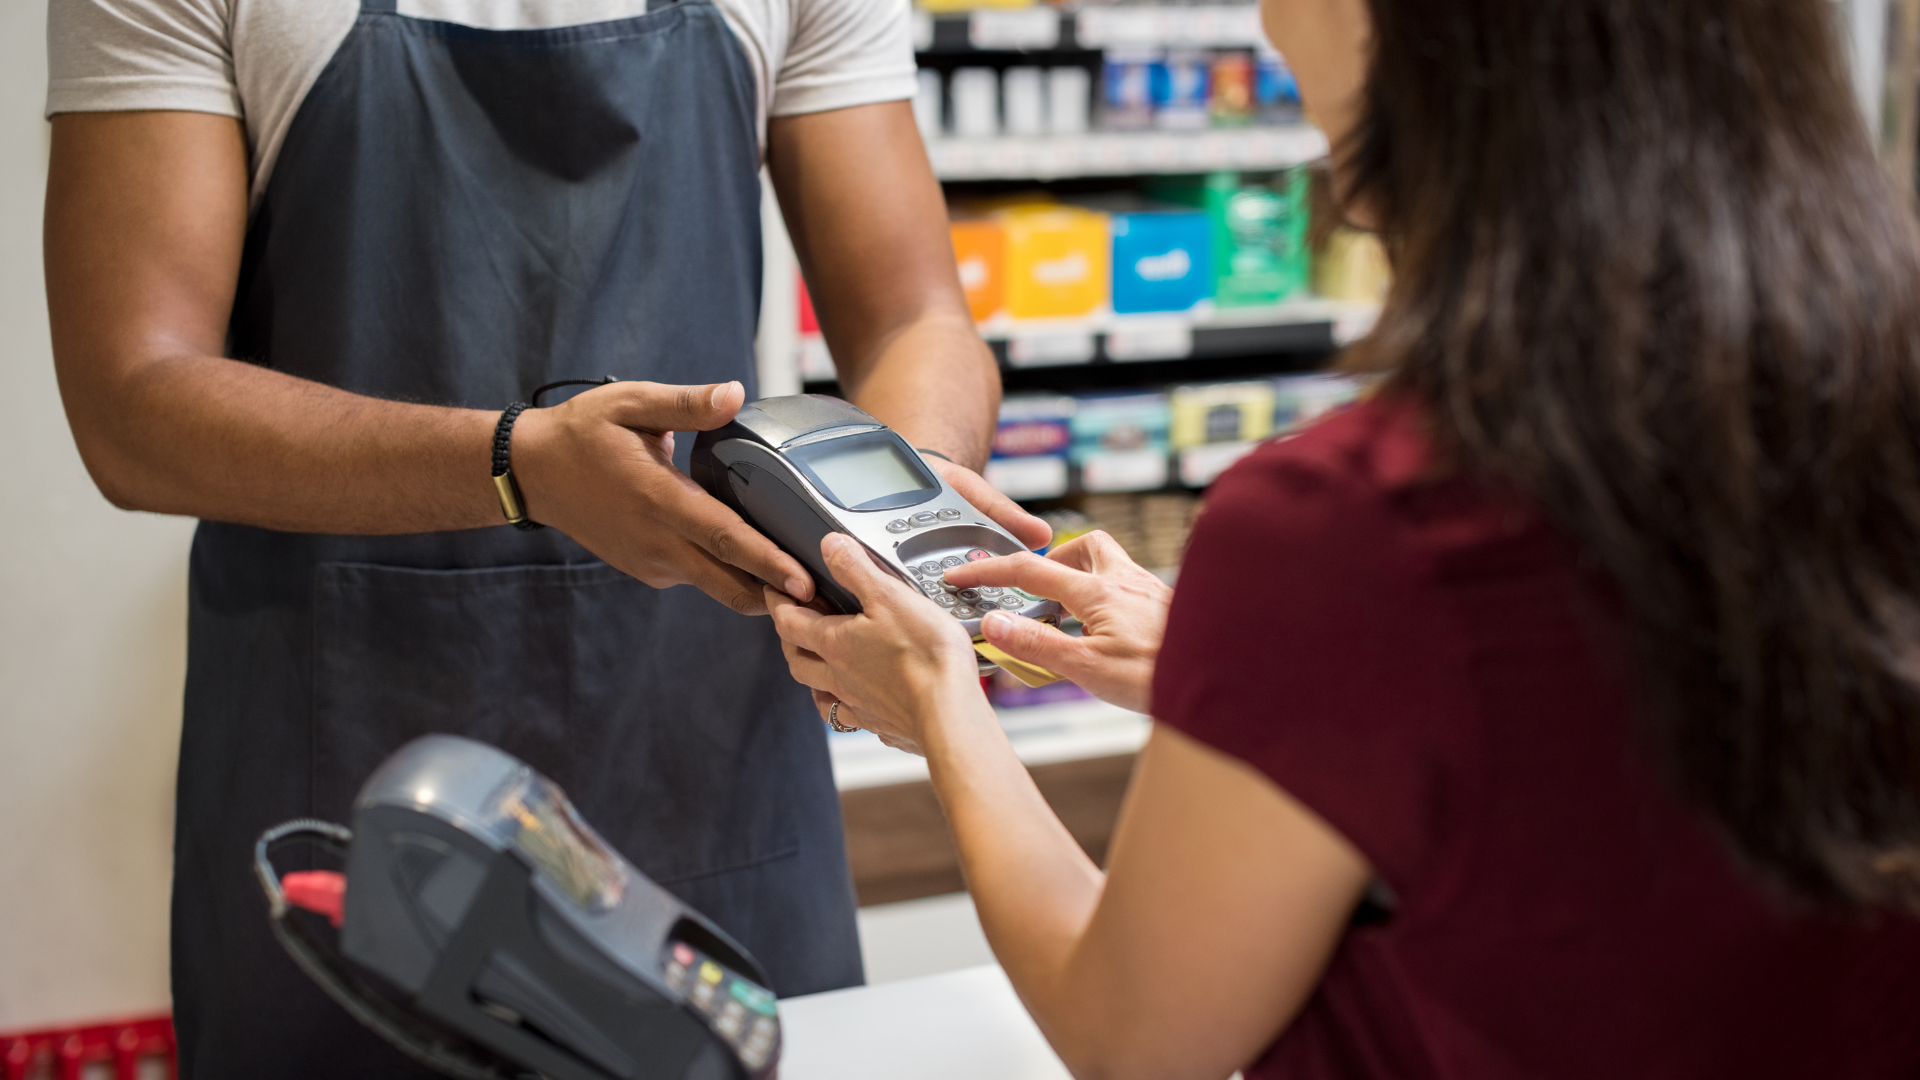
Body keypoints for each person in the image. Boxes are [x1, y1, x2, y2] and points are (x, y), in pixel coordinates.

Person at [768, 0, 1920, 1076]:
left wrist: (943, 704)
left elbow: (1134, 1036)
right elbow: (1599, 748)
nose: (1269, 18)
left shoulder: (1345, 525)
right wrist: (1245, 684)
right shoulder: (1868, 398)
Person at [42, 0, 1049, 1076]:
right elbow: (130, 400)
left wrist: (900, 494)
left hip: (707, 748)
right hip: (344, 755)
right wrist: (516, 464)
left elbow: (915, 318)